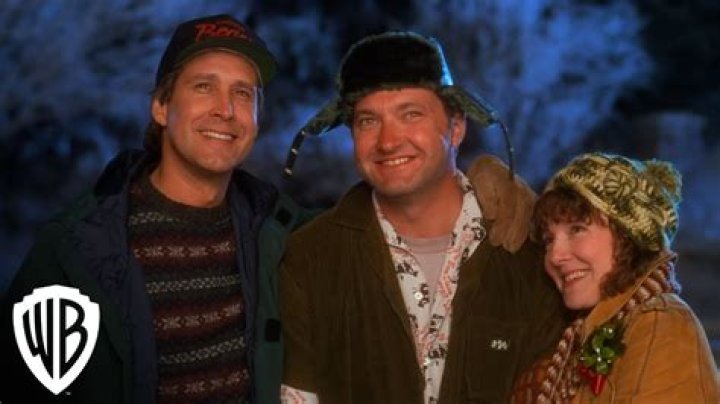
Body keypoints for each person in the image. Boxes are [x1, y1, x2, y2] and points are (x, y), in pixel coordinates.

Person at [0, 14, 313, 404]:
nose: (226, 109)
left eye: (243, 93)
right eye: (204, 87)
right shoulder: (76, 251)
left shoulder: (279, 231)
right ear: (161, 107)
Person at [279, 31, 568, 403]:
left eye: (411, 114)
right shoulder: (309, 259)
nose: (388, 141)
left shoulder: (529, 257)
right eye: (368, 121)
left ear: (456, 127)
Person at [511, 153, 719, 402]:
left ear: (626, 234)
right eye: (548, 240)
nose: (555, 256)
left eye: (577, 229)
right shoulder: (584, 333)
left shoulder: (660, 326)